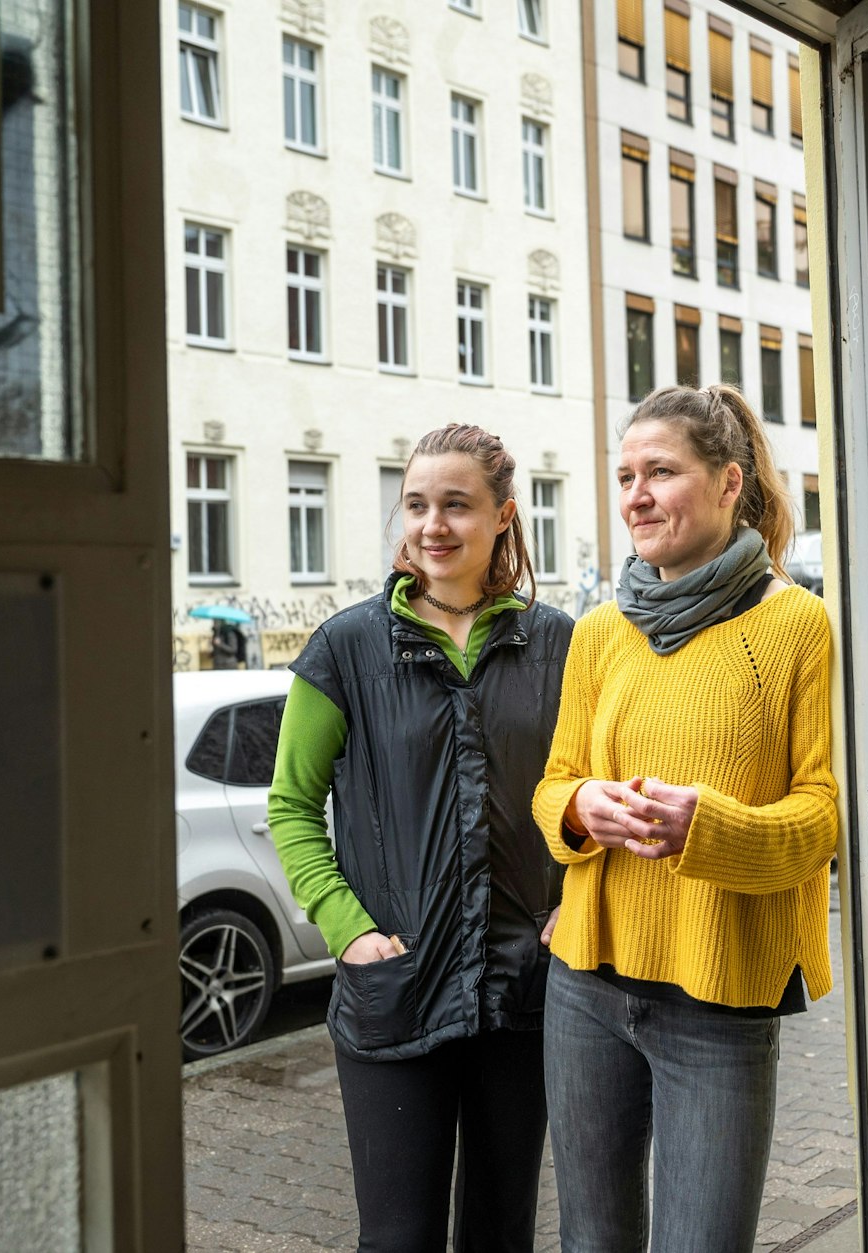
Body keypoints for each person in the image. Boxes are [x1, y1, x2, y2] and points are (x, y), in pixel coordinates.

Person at [532, 384, 838, 1253]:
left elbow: (822, 816)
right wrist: (583, 809)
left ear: (728, 481)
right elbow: (554, 784)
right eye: (626, 474)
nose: (636, 493)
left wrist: (712, 828)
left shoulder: (797, 627)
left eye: (660, 471)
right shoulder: (598, 633)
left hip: (720, 999)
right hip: (585, 985)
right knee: (592, 1241)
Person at [266, 423, 573, 1253]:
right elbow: (291, 806)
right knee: (398, 1240)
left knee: (502, 1234)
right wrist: (349, 930)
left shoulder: (560, 647)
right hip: (394, 990)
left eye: (457, 505)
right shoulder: (346, 648)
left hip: (523, 993)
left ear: (504, 516)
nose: (433, 524)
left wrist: (575, 904)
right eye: (416, 504)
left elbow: (589, 794)